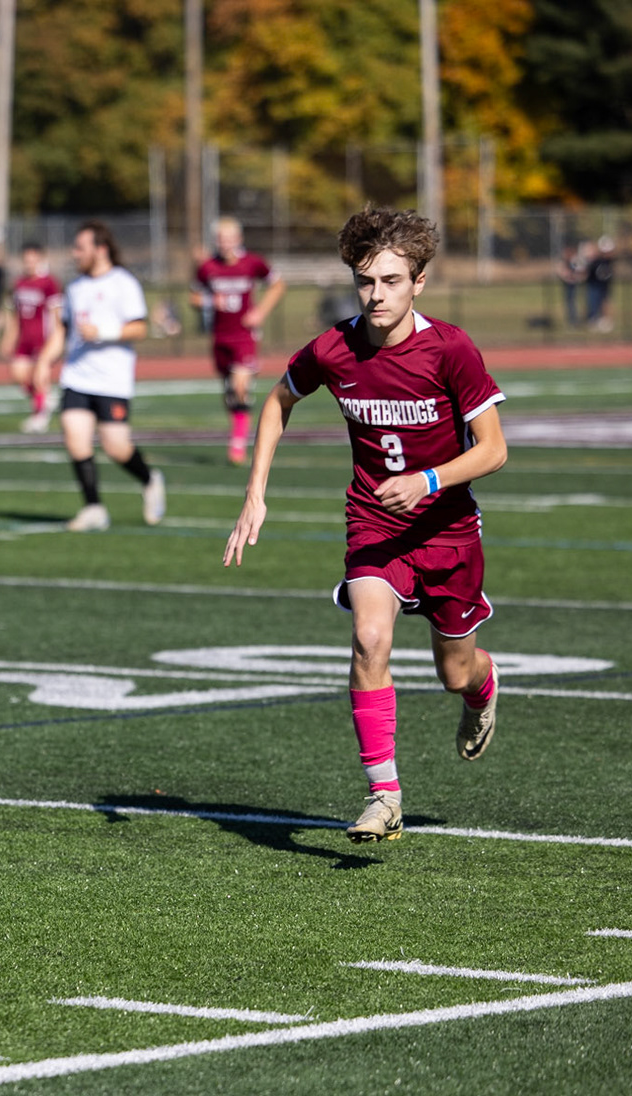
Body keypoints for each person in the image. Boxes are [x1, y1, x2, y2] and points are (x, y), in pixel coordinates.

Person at [223, 207, 508, 844]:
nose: (376, 295)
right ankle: (384, 795)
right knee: (368, 639)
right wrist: (255, 494)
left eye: (391, 281)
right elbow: (278, 401)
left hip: (448, 530)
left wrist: (429, 480)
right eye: (365, 280)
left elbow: (494, 449)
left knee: (455, 671)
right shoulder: (334, 347)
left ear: (418, 283)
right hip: (374, 522)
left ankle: (482, 688)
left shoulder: (450, 348)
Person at [38, 221, 165, 532]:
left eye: (80, 247)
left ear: (101, 249)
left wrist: (103, 332)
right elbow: (64, 331)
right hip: (77, 377)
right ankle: (93, 507)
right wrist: (44, 361)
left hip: (112, 380)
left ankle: (150, 479)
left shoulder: (124, 283)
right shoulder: (75, 287)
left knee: (116, 447)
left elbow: (140, 328)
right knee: (75, 438)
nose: (75, 253)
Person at [192, 217, 286, 465]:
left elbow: (278, 285)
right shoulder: (208, 267)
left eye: (230, 239)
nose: (226, 244)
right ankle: (239, 423)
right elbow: (194, 297)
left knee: (239, 386)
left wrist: (260, 312)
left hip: (245, 335)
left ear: (239, 239)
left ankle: (238, 443)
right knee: (230, 392)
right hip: (220, 336)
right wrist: (211, 301)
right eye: (221, 240)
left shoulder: (252, 263)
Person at [0, 243, 61, 432]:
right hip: (24, 338)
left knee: (38, 377)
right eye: (26, 260)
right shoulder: (19, 283)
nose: (29, 264)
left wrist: (56, 338)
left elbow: (56, 313)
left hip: (42, 338)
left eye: (33, 260)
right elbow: (15, 315)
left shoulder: (48, 283)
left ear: (40, 259)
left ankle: (39, 417)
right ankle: (45, 398)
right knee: (17, 373)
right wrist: (9, 338)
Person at [585, 236, 616, 331]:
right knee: (593, 302)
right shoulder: (596, 261)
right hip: (595, 285)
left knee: (605, 302)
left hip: (604, 285)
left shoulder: (608, 261)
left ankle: (603, 320)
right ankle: (593, 319)